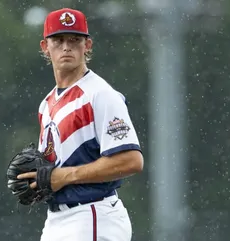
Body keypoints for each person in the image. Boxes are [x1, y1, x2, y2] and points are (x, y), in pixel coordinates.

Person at [17, 7, 144, 241]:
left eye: (75, 40)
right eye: (59, 40)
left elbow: (131, 160)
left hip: (92, 215)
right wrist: (38, 181)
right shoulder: (46, 104)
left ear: (87, 45)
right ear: (45, 47)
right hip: (57, 219)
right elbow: (56, 168)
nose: (67, 47)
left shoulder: (100, 95)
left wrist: (64, 176)